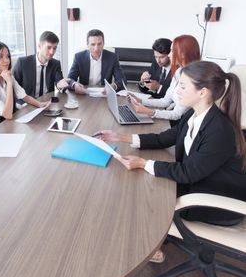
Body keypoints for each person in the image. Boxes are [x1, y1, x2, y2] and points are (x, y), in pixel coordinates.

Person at [96, 61, 246, 226]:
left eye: (182, 86)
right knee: (140, 185)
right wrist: (120, 137)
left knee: (141, 195)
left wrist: (143, 163)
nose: (176, 90)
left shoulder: (219, 130)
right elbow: (163, 139)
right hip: (197, 182)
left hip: (214, 200)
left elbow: (188, 172)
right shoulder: (192, 115)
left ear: (202, 92)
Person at [0, 41, 49, 132]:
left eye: (8, 56)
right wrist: (9, 83)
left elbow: (24, 96)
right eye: (0, 57)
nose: (7, 60)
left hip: (3, 122)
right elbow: (7, 114)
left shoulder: (7, 76)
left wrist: (40, 104)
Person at [129, 35, 200, 124]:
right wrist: (141, 101)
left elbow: (176, 114)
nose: (169, 55)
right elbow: (165, 102)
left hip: (181, 124)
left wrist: (150, 112)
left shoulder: (193, 79)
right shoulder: (178, 72)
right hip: (170, 116)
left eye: (172, 51)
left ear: (183, 54)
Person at [13, 31, 69, 98]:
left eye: (54, 48)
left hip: (47, 103)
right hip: (27, 104)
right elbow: (13, 87)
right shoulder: (23, 63)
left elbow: (59, 81)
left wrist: (61, 85)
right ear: (39, 46)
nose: (52, 52)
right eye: (49, 47)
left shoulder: (55, 64)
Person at [68, 29, 125, 94]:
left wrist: (113, 86)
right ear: (87, 45)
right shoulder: (79, 57)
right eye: (93, 44)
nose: (96, 48)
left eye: (99, 44)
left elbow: (122, 80)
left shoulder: (112, 57)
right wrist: (75, 85)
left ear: (103, 44)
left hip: (104, 95)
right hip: (84, 94)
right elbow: (70, 79)